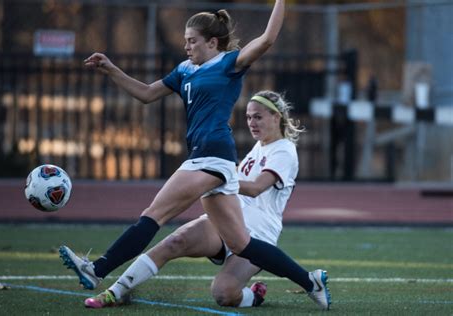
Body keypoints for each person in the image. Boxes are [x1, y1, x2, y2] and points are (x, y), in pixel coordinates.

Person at [59, 1, 331, 311]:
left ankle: (97, 270)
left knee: (155, 214)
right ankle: (311, 282)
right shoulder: (184, 70)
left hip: (212, 157)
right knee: (242, 244)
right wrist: (112, 70)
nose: (186, 46)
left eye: (192, 41)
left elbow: (268, 38)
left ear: (212, 42)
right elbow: (147, 94)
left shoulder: (230, 63)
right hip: (210, 160)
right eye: (185, 40)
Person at [82, 90, 330, 310]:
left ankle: (253, 296)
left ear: (276, 117)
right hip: (227, 220)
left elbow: (255, 189)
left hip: (259, 233)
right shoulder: (258, 146)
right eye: (249, 117)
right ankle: (114, 292)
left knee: (223, 294)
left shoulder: (284, 150)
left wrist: (214, 179)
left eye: (258, 117)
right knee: (174, 242)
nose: (251, 122)